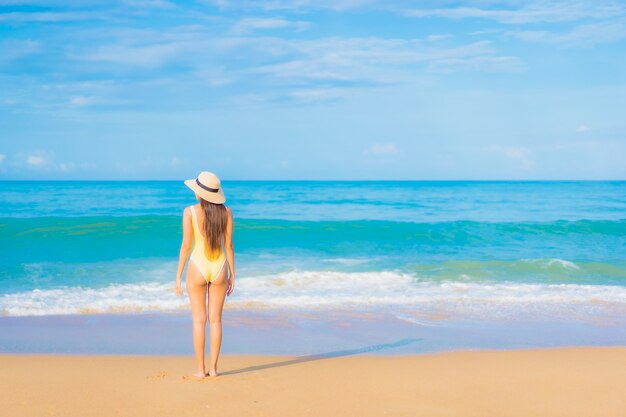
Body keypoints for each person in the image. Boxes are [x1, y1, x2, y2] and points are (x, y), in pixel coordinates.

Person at [175, 171, 235, 378]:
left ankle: (201, 371)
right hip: (220, 268)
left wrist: (178, 276)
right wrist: (232, 275)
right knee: (216, 321)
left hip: (197, 267)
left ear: (199, 192)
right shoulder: (226, 212)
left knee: (199, 321)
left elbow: (185, 246)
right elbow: (228, 245)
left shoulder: (189, 212)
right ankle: (214, 369)